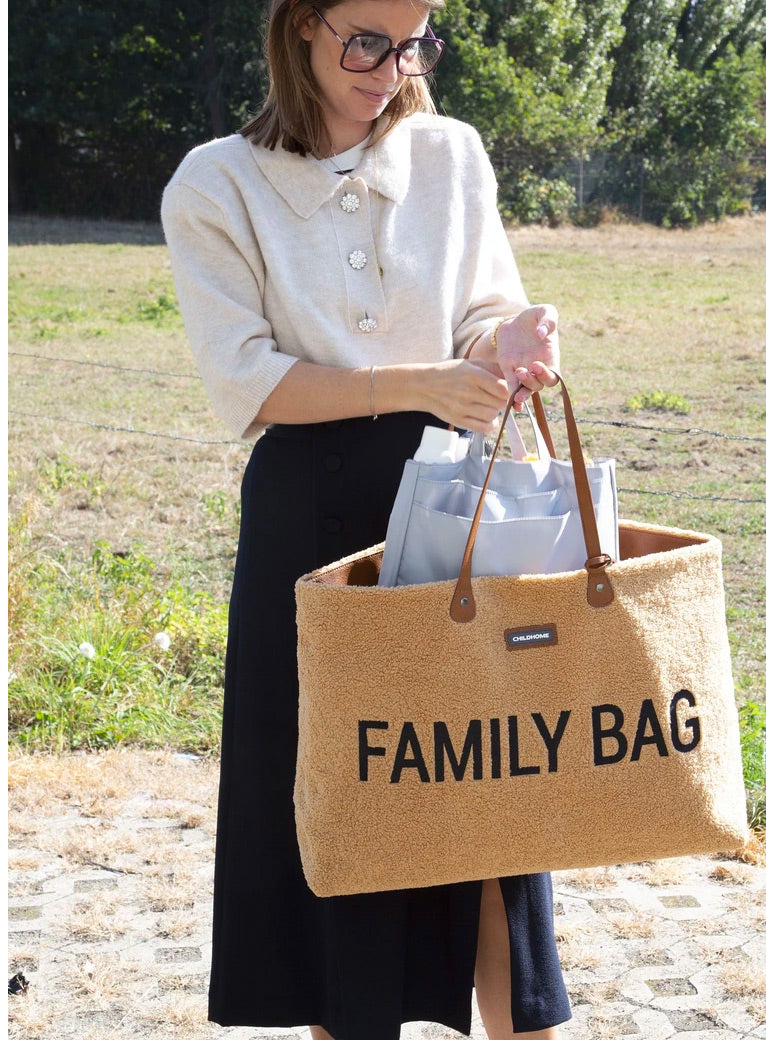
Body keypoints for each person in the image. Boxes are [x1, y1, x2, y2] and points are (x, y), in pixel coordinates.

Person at [160, 2, 571, 1038]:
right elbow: (245, 380)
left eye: (414, 42)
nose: (391, 68)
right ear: (301, 25)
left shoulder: (452, 154)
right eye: (366, 41)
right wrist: (420, 382)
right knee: (342, 803)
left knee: (492, 797)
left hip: (457, 503)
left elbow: (480, 314)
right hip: (310, 519)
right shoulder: (215, 183)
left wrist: (511, 337)